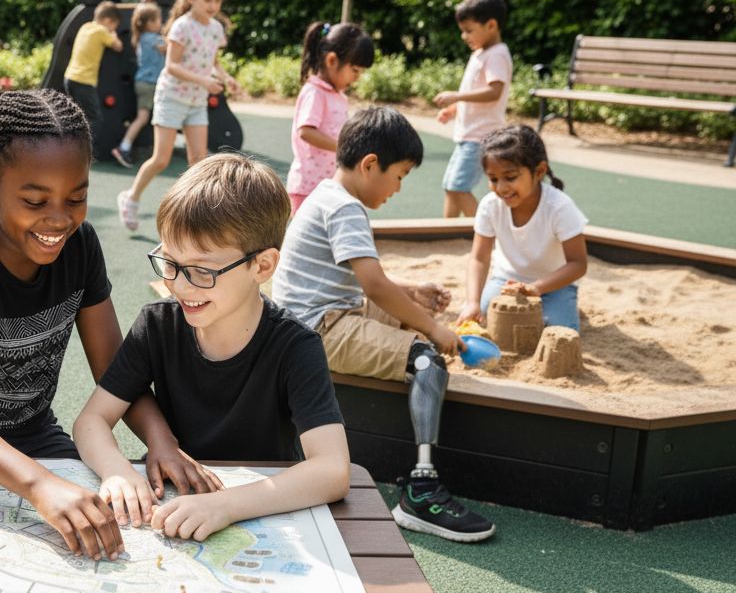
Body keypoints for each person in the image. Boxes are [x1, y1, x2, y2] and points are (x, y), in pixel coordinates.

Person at [0, 89, 218, 560]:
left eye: (77, 197)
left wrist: (161, 441)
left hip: (35, 435)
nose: (59, 219)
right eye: (35, 200)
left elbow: (116, 371)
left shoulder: (80, 247)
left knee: (110, 535)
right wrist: (40, 484)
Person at [74, 154, 350, 540]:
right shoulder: (157, 325)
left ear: (262, 266)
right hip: (171, 503)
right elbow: (90, 422)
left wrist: (225, 506)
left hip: (257, 512)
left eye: (202, 271)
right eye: (170, 262)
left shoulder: (295, 347)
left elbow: (332, 470)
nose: (179, 285)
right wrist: (117, 472)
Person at [273, 107, 495, 542]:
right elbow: (373, 285)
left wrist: (410, 293)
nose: (399, 187)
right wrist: (433, 329)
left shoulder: (326, 195)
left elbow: (360, 278)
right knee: (427, 359)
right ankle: (421, 491)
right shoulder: (345, 208)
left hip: (321, 315)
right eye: (400, 175)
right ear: (370, 164)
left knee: (409, 315)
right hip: (319, 330)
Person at [117, 0, 241, 232]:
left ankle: (195, 215)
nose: (213, 5)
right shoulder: (182, 26)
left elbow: (213, 62)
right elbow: (172, 66)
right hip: (172, 97)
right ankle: (131, 197)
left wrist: (226, 77)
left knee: (198, 161)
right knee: (161, 159)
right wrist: (204, 81)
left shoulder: (215, 28)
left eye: (217, 0)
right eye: (207, 0)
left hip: (196, 101)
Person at [457, 125, 588, 330]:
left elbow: (578, 264)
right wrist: (472, 302)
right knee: (483, 314)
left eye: (510, 177)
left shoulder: (559, 207)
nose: (501, 187)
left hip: (555, 286)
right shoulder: (490, 205)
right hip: (506, 282)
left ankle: (565, 305)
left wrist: (536, 288)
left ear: (539, 172)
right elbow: (479, 258)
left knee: (558, 330)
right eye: (493, 179)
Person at [434, 0, 512, 218]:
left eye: (469, 30)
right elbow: (475, 91)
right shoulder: (480, 53)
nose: (464, 36)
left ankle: (485, 231)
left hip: (481, 137)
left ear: (491, 25)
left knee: (458, 187)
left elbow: (494, 91)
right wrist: (453, 110)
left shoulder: (496, 54)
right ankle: (446, 231)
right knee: (450, 186)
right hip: (468, 134)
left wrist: (457, 97)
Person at [286, 21, 374, 214]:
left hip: (328, 185)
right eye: (355, 70)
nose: (357, 77)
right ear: (332, 60)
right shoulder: (315, 92)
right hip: (308, 186)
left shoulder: (336, 94)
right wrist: (343, 146)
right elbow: (306, 131)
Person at [63, 1, 123, 158]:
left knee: (76, 117)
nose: (113, 29)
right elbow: (118, 46)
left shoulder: (85, 27)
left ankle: (69, 148)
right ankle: (82, 153)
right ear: (108, 21)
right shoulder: (102, 31)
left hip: (70, 77)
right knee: (95, 118)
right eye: (114, 26)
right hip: (84, 81)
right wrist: (113, 34)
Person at [112, 2, 165, 169]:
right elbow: (167, 47)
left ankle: (126, 146)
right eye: (157, 20)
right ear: (148, 23)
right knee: (143, 118)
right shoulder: (151, 38)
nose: (160, 23)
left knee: (145, 117)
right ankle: (123, 147)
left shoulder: (142, 38)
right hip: (149, 84)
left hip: (144, 82)